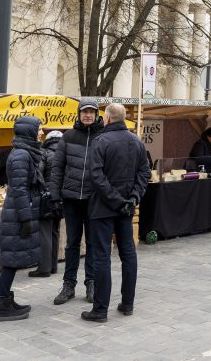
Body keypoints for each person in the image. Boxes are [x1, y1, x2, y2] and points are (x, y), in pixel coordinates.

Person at [81, 103, 150, 323]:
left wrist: (119, 200)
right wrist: (132, 198)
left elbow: (96, 176)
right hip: (125, 208)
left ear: (108, 118)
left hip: (104, 207)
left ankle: (100, 309)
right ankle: (127, 303)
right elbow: (144, 172)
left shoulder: (100, 141)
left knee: (102, 256)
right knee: (127, 253)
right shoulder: (135, 141)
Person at [49, 99, 104, 306]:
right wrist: (55, 196)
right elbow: (58, 168)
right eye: (84, 112)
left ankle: (91, 282)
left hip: (93, 199)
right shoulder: (68, 137)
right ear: (79, 114)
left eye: (91, 111)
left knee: (92, 242)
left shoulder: (103, 136)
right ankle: (68, 284)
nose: (88, 115)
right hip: (71, 199)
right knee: (72, 243)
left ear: (97, 114)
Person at [0, 116, 43, 322]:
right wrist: (26, 218)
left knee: (12, 260)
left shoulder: (23, 152)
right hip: (17, 213)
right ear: (29, 131)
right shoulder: (22, 155)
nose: (41, 133)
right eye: (39, 129)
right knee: (11, 261)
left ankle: (6, 300)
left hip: (16, 212)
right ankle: (2, 306)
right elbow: (19, 189)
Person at [30, 130, 64, 278]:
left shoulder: (44, 153)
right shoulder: (65, 154)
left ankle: (44, 268)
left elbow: (39, 175)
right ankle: (53, 266)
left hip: (47, 197)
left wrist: (42, 191)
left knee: (45, 232)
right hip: (61, 198)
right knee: (55, 231)